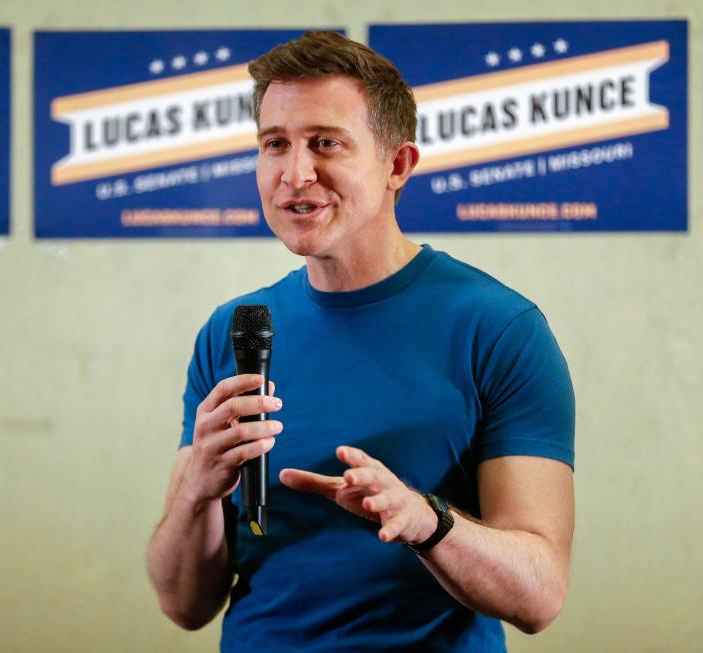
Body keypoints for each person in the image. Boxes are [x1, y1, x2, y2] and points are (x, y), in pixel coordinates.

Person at [146, 31, 575, 652]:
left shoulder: (499, 329)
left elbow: (539, 595)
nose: (295, 174)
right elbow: (183, 604)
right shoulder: (234, 330)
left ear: (397, 165)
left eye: (326, 143)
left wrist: (426, 522)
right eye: (275, 145)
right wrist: (197, 491)